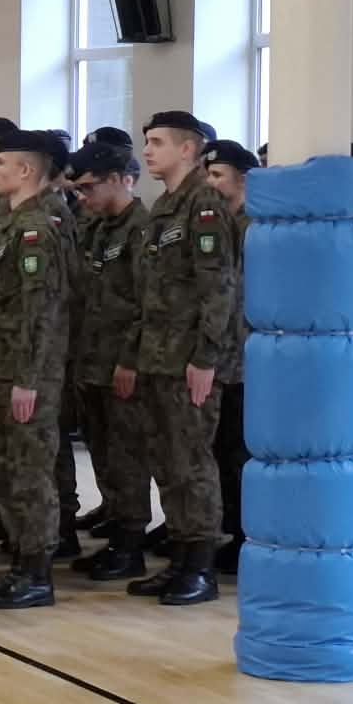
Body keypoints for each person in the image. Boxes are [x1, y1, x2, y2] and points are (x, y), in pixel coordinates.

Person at [122, 111, 237, 607]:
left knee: (192, 463)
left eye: (157, 142)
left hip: (190, 360)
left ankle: (200, 566)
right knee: (167, 462)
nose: (147, 151)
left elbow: (218, 287)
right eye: (147, 142)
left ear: (188, 149)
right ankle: (180, 557)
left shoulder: (204, 206)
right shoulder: (165, 206)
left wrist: (206, 357)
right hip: (158, 356)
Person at [0, 129, 75, 608]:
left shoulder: (38, 229)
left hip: (30, 373)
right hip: (6, 366)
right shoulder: (14, 223)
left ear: (27, 170)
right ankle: (20, 565)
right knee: (9, 469)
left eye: (2, 164)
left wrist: (28, 379)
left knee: (30, 472)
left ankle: (36, 573)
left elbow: (42, 311)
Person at [66, 141, 154, 583]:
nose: (84, 197)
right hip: (93, 361)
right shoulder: (99, 228)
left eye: (89, 187)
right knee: (104, 454)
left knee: (127, 457)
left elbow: (148, 302)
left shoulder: (142, 229)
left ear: (120, 180)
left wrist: (130, 359)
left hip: (122, 364)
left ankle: (130, 544)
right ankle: (117, 533)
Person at [202, 138, 259, 574]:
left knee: (241, 454)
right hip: (223, 359)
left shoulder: (255, 228)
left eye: (218, 175)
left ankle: (245, 536)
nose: (211, 183)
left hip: (246, 360)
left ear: (243, 179)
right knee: (222, 451)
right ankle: (229, 527)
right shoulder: (223, 225)